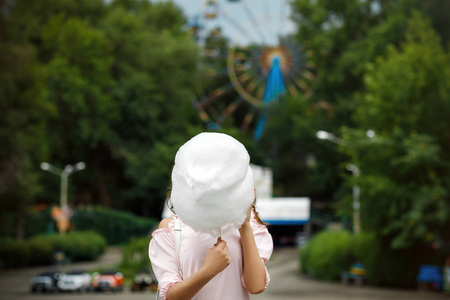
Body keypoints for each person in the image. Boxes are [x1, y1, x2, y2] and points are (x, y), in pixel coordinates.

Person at [149, 132, 273, 300]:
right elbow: (171, 296)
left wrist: (244, 227)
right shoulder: (172, 229)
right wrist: (209, 270)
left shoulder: (251, 228)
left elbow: (256, 286)